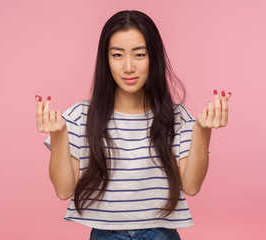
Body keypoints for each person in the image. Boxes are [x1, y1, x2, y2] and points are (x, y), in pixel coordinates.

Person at [35, 10, 231, 240]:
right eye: (118, 55)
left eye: (139, 55)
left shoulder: (176, 116)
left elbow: (191, 186)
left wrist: (203, 130)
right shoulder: (81, 116)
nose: (128, 67)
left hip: (160, 234)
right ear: (106, 59)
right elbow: (64, 190)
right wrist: (59, 135)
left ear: (153, 58)